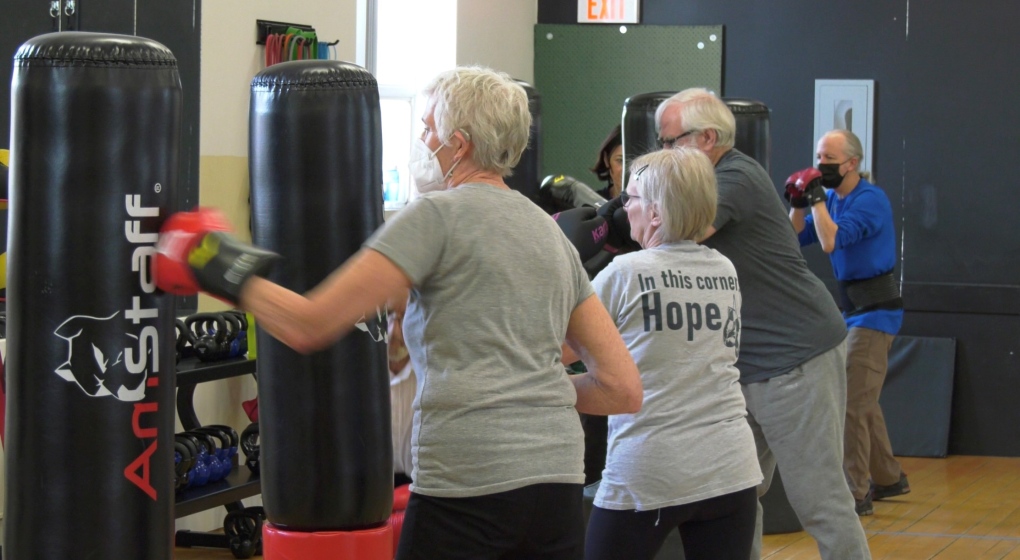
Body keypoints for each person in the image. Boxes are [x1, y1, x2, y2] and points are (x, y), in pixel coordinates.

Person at [156, 66, 643, 560]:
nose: (421, 140)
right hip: (555, 487)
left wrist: (210, 261)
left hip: (466, 486)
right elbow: (622, 388)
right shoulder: (550, 234)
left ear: (458, 144)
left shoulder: (435, 216)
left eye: (427, 129)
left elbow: (310, 324)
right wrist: (532, 388)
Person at [654, 88, 871, 560]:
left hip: (796, 358)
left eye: (670, 142)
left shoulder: (734, 177)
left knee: (821, 503)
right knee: (734, 497)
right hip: (744, 366)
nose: (662, 154)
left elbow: (678, 232)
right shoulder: (707, 176)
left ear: (707, 138)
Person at [574, 147, 762, 560]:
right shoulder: (724, 269)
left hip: (651, 467)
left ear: (655, 213)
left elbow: (557, 346)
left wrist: (567, 261)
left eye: (632, 198)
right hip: (730, 466)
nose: (624, 208)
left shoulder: (625, 273)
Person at [787, 129, 909, 516]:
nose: (820, 165)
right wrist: (798, 204)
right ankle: (889, 477)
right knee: (861, 400)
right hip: (851, 310)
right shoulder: (833, 201)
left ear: (852, 163)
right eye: (818, 156)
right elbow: (796, 237)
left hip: (876, 312)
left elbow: (829, 242)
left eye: (829, 159)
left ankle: (856, 492)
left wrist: (818, 199)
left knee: (852, 405)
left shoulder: (869, 200)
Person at [590, 124, 624, 199]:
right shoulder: (592, 205)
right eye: (620, 161)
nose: (628, 169)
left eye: (635, 161)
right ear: (606, 160)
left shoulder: (654, 206)